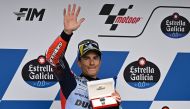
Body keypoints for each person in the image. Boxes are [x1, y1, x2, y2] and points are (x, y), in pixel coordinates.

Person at [46, 4, 121, 109]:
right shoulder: (70, 82)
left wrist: (116, 106)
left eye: (95, 58)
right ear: (79, 62)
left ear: (100, 62)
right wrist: (66, 33)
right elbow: (52, 57)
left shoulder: (107, 90)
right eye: (86, 58)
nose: (92, 63)